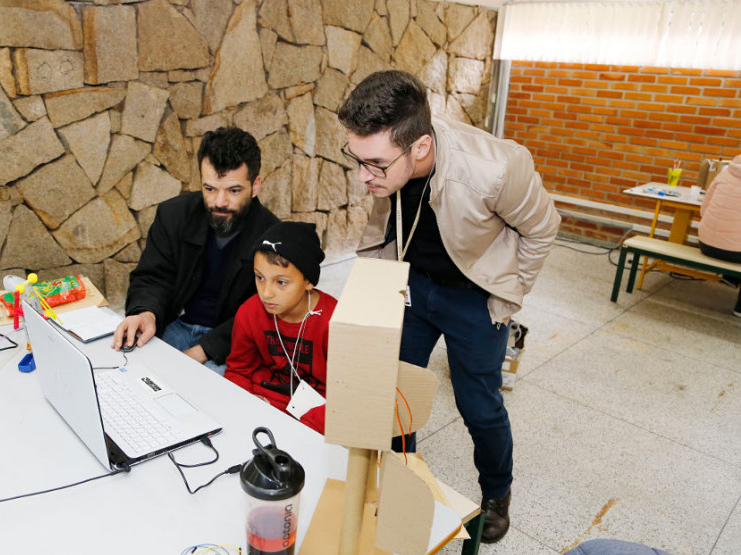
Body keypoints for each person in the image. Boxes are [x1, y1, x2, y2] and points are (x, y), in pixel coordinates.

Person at [337, 70, 560, 543]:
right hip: (415, 286)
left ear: (419, 147)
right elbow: (384, 226)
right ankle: (403, 476)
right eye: (357, 160)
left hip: (475, 298)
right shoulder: (390, 161)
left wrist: (506, 296)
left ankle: (497, 492)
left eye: (374, 164)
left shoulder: (497, 168)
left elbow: (542, 229)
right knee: (396, 389)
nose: (363, 176)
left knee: (478, 404)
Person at [112, 127, 280, 373]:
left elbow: (265, 313)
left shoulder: (273, 237)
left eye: (233, 191)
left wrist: (202, 351)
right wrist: (145, 313)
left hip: (234, 341)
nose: (219, 202)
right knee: (129, 373)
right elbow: (152, 276)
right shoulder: (173, 215)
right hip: (177, 326)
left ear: (255, 186)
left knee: (202, 400)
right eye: (210, 189)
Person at [225, 222, 337, 434]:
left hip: (317, 415)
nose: (266, 293)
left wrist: (297, 427)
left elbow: (348, 399)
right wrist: (245, 407)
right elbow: (238, 371)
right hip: (264, 404)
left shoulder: (335, 322)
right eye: (259, 278)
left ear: (308, 281)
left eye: (281, 282)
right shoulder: (249, 313)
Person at [697, 154, 741, 317]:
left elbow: (704, 209)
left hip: (706, 245)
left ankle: (731, 278)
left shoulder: (725, 171)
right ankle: (740, 308)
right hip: (735, 254)